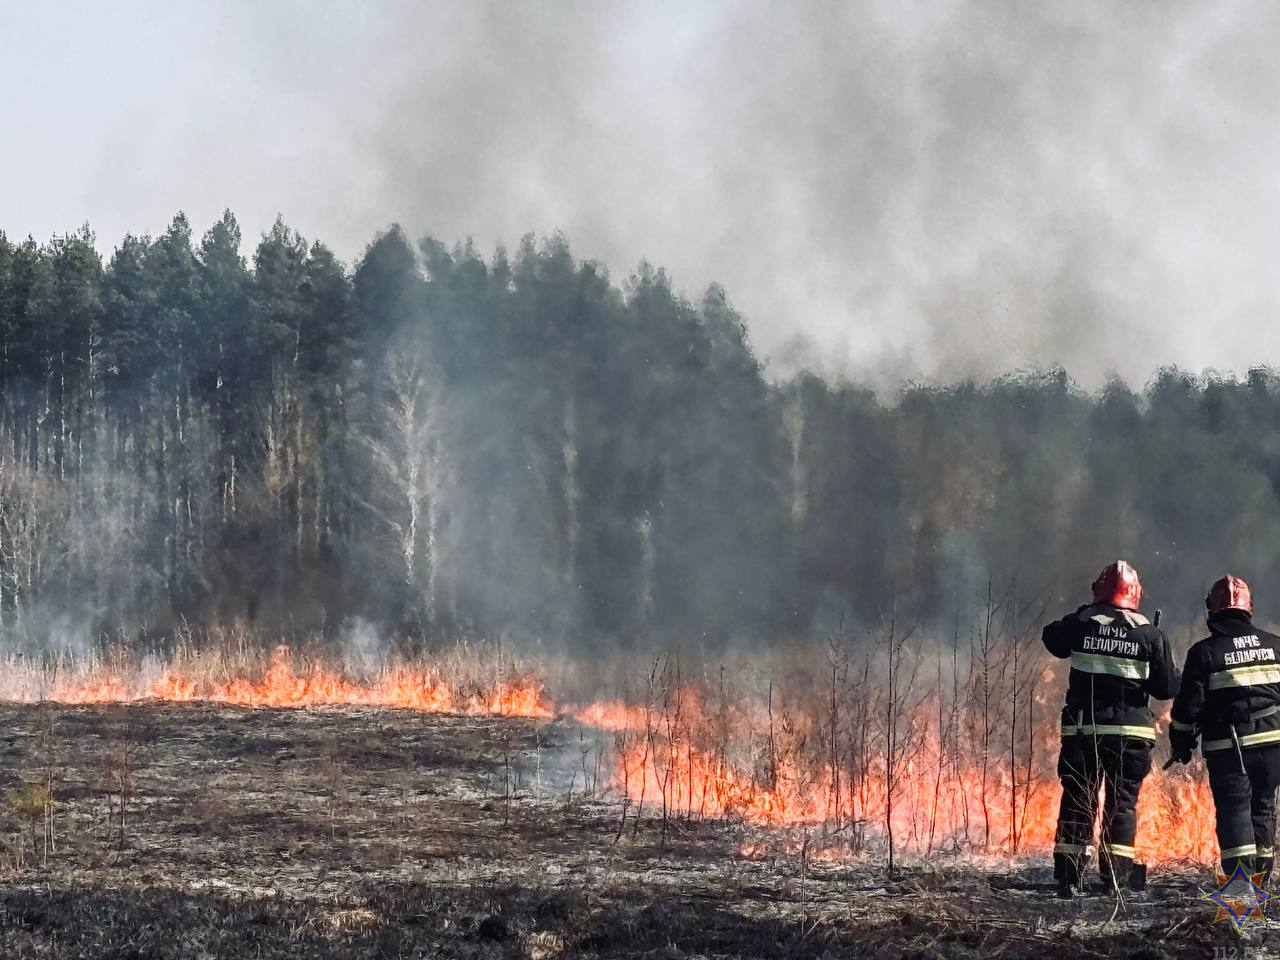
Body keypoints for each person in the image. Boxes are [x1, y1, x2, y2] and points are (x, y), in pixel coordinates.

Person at [1043, 560, 1178, 897]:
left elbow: (1053, 639)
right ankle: (1116, 877)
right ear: (1135, 594)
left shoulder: (1082, 623)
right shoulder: (1150, 634)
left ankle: (1068, 877)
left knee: (1078, 798)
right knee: (1122, 803)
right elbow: (1166, 688)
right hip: (1131, 736)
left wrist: (1085, 614)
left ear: (1098, 592)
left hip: (1084, 732)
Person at [1169, 575, 1280, 887]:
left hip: (1230, 747)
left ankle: (1240, 887)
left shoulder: (1205, 652)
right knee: (1262, 807)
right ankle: (1263, 881)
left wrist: (1180, 740)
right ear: (1249, 608)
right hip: (1273, 744)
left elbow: (1188, 707)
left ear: (1212, 610)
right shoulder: (1274, 645)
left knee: (1235, 813)